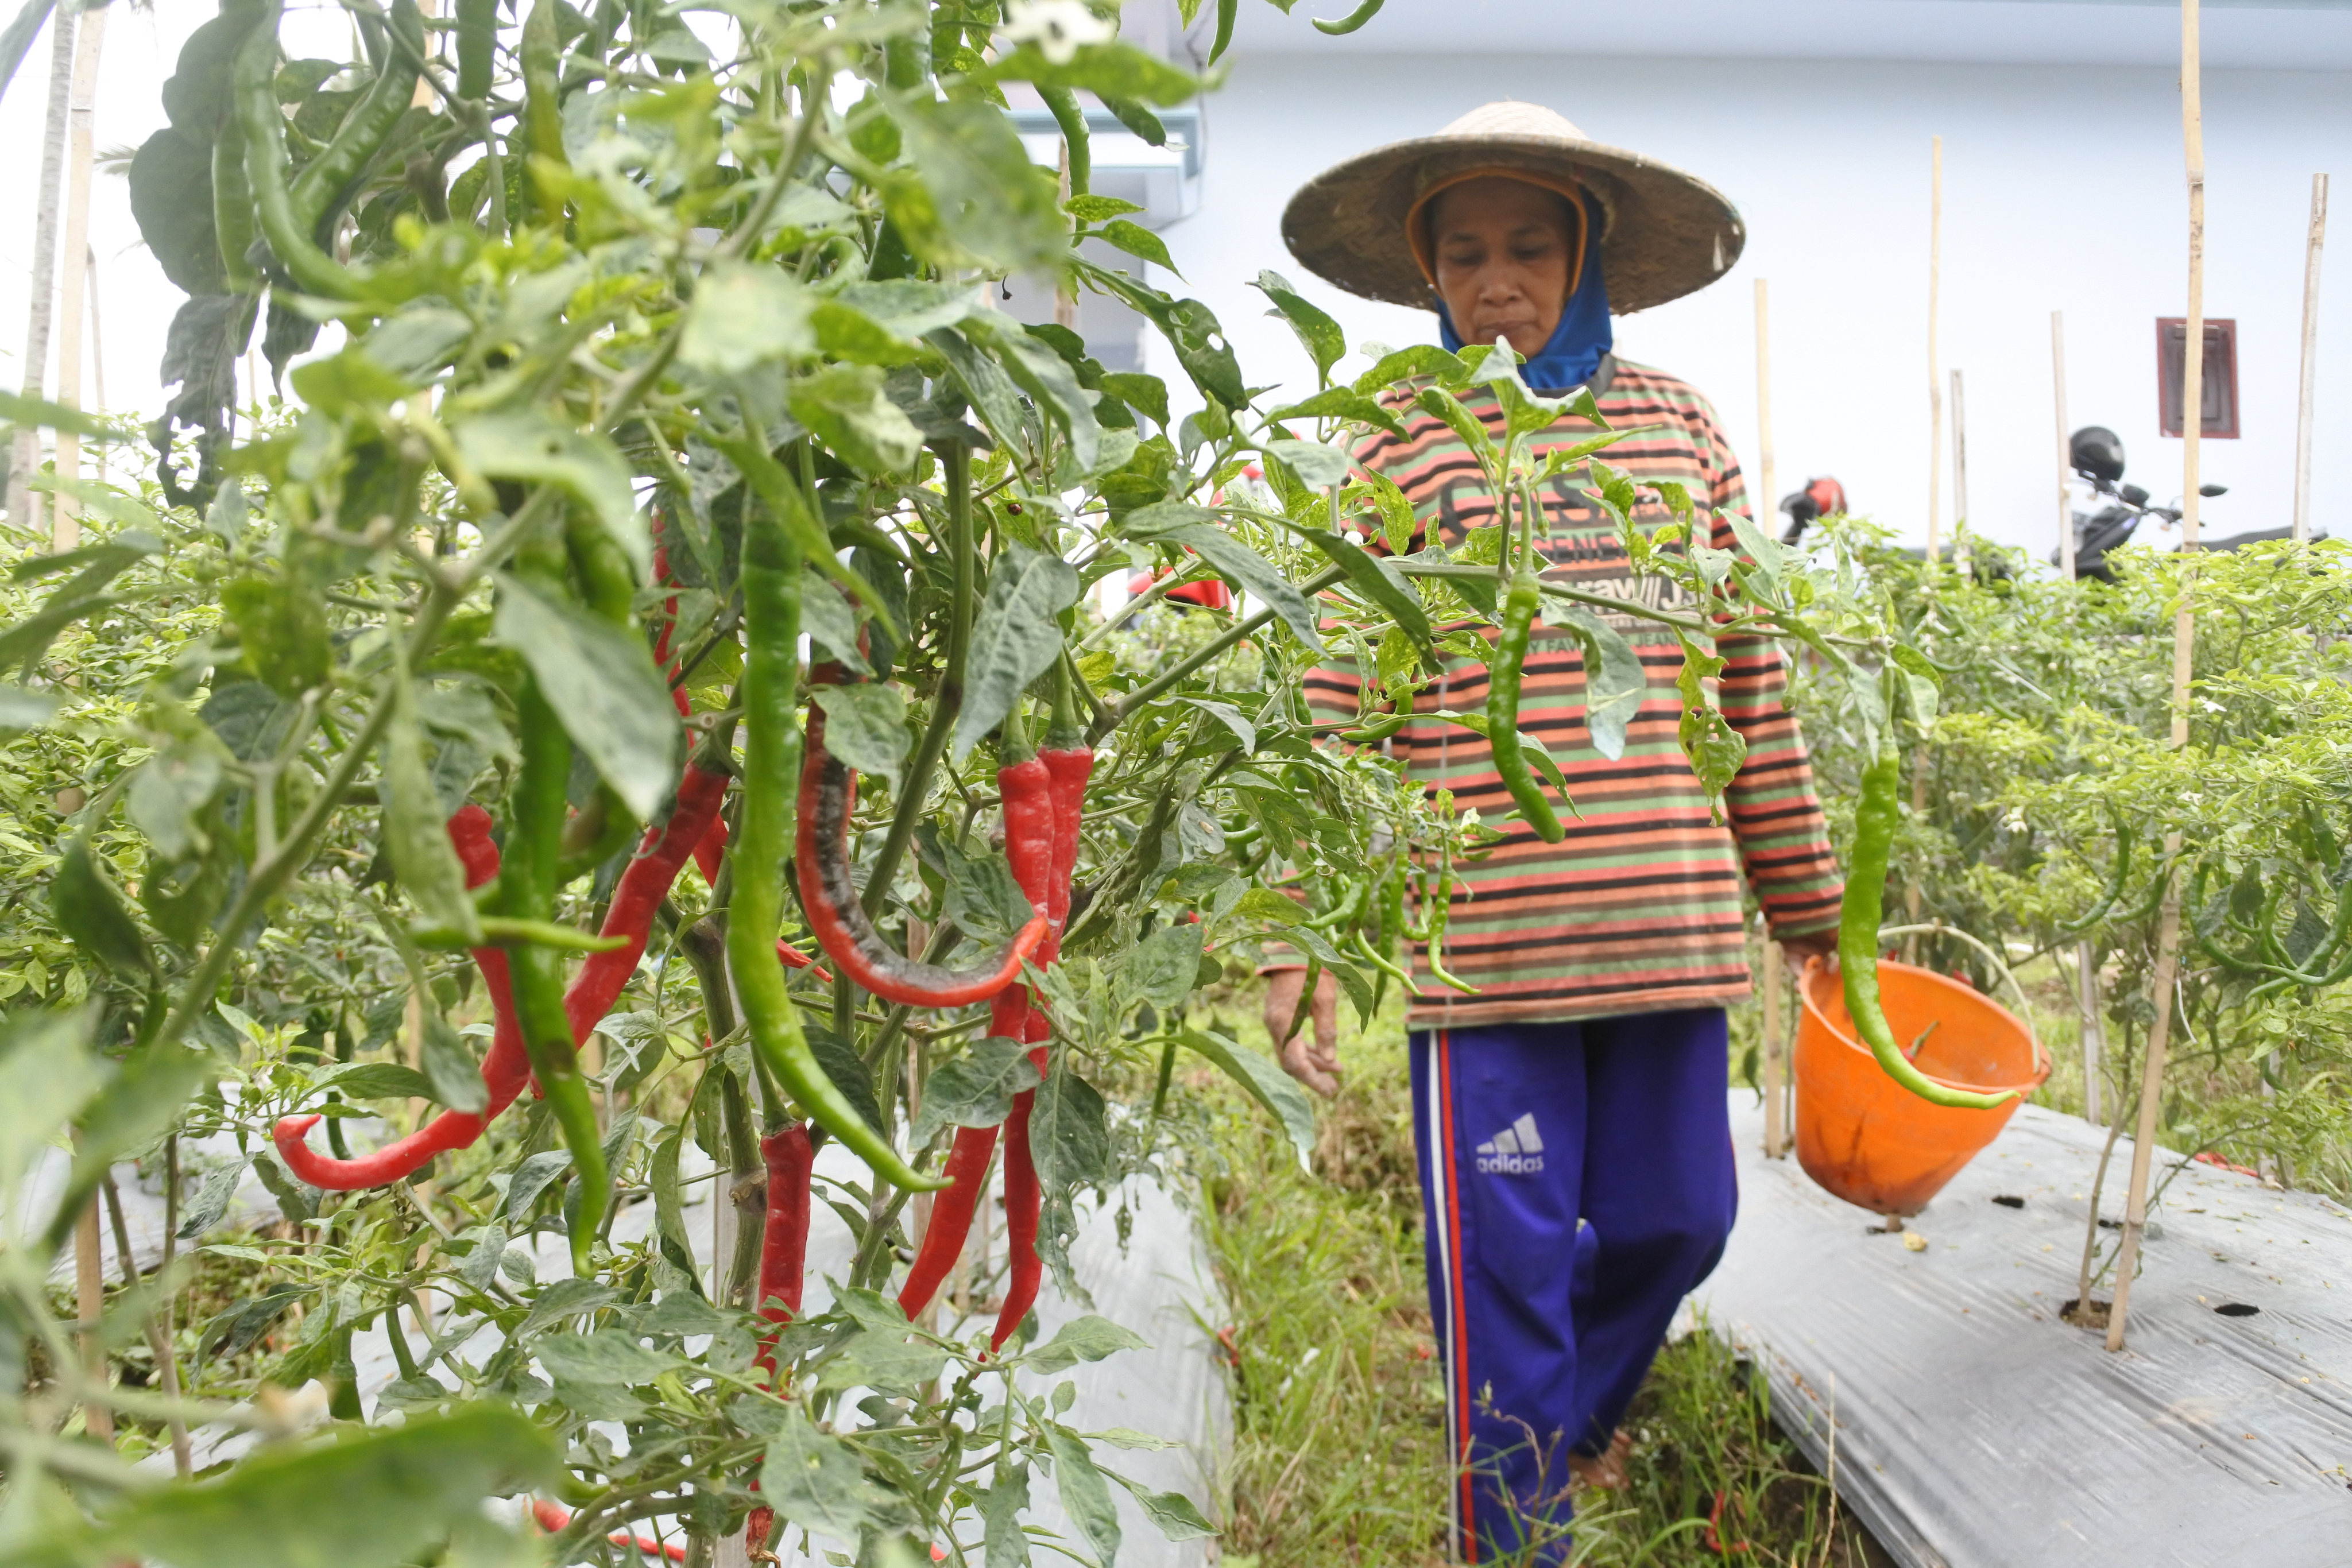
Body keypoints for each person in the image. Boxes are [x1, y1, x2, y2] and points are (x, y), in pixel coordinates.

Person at [1269, 102, 1844, 1563]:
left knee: (1681, 1222)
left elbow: (1746, 678)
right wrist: (1300, 941)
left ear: (1585, 253)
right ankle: (1509, 1530)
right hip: (1492, 951)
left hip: (1667, 930)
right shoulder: (1398, 445)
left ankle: (1549, 1433)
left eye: (1528, 245)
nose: (1495, 280)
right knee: (1503, 1268)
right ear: (1427, 275)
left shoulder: (1677, 428)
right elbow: (1336, 697)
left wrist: (1810, 910)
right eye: (1462, 255)